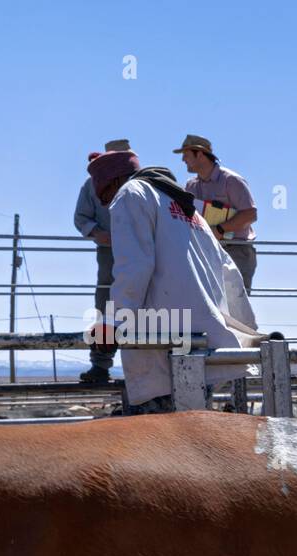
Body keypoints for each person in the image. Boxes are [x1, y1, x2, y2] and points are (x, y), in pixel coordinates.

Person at [90, 151, 250, 413]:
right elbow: (230, 274)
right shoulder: (191, 212)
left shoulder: (131, 194)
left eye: (106, 198)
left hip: (162, 345)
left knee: (159, 446)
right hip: (203, 346)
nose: (109, 206)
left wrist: (114, 323)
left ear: (113, 183)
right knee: (195, 441)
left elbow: (134, 266)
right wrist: (243, 336)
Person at [74, 139, 131, 383]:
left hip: (140, 252)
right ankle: (101, 365)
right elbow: (81, 217)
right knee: (106, 307)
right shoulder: (91, 184)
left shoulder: (140, 184)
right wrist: (98, 233)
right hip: (109, 254)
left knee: (145, 308)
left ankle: (141, 370)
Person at [174, 134, 259, 292]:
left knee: (236, 309)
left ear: (199, 154)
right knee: (209, 307)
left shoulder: (231, 180)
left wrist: (220, 230)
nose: (183, 159)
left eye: (185, 154)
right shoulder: (190, 186)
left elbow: (250, 214)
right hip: (206, 251)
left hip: (236, 251)